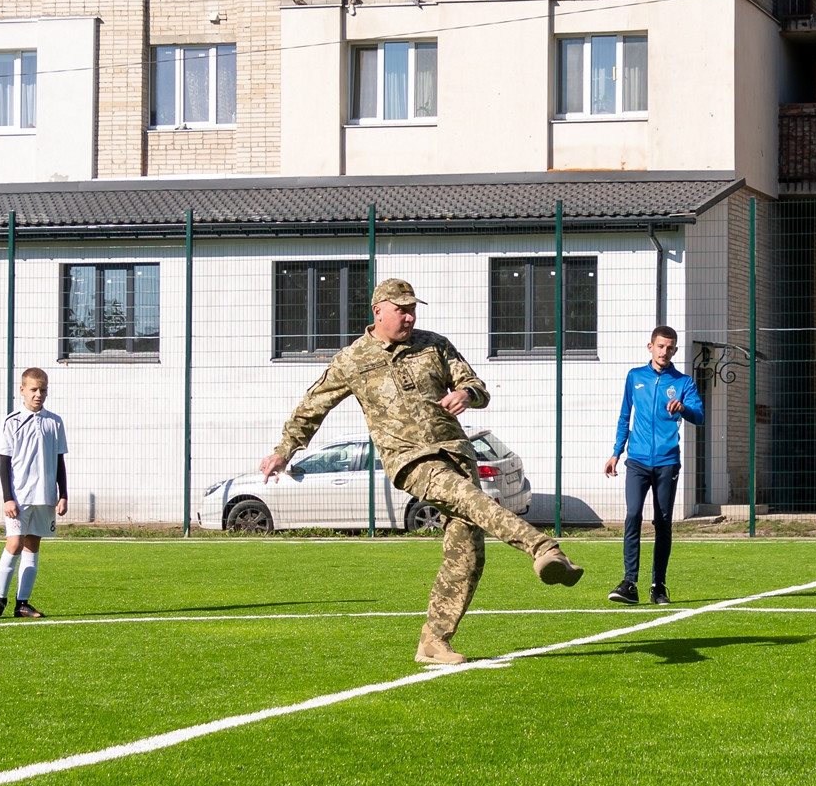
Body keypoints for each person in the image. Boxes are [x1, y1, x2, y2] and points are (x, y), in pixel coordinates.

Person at [260, 279, 583, 666]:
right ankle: (543, 549)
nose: (410, 317)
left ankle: (434, 642)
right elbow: (313, 405)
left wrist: (467, 394)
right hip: (411, 461)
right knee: (474, 502)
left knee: (466, 553)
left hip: (457, 452)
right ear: (378, 310)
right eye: (402, 309)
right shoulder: (351, 359)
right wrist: (285, 450)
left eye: (413, 309)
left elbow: (476, 385)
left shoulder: (434, 344)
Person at [604, 325, 705, 606]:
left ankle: (658, 586)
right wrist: (616, 453)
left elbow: (699, 416)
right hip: (636, 461)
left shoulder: (683, 383)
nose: (665, 351)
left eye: (670, 347)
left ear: (675, 350)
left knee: (662, 523)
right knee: (633, 515)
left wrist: (683, 408)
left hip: (667, 463)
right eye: (660, 346)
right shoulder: (635, 377)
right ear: (650, 347)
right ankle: (629, 583)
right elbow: (625, 416)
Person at [0, 368, 69, 620]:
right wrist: (7, 497)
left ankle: (22, 603)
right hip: (19, 497)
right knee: (14, 544)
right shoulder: (12, 421)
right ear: (22, 390)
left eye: (43, 390)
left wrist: (62, 494)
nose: (38, 394)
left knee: (33, 546)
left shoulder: (55, 422)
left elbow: (59, 461)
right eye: (33, 389)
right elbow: (4, 463)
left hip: (44, 496)